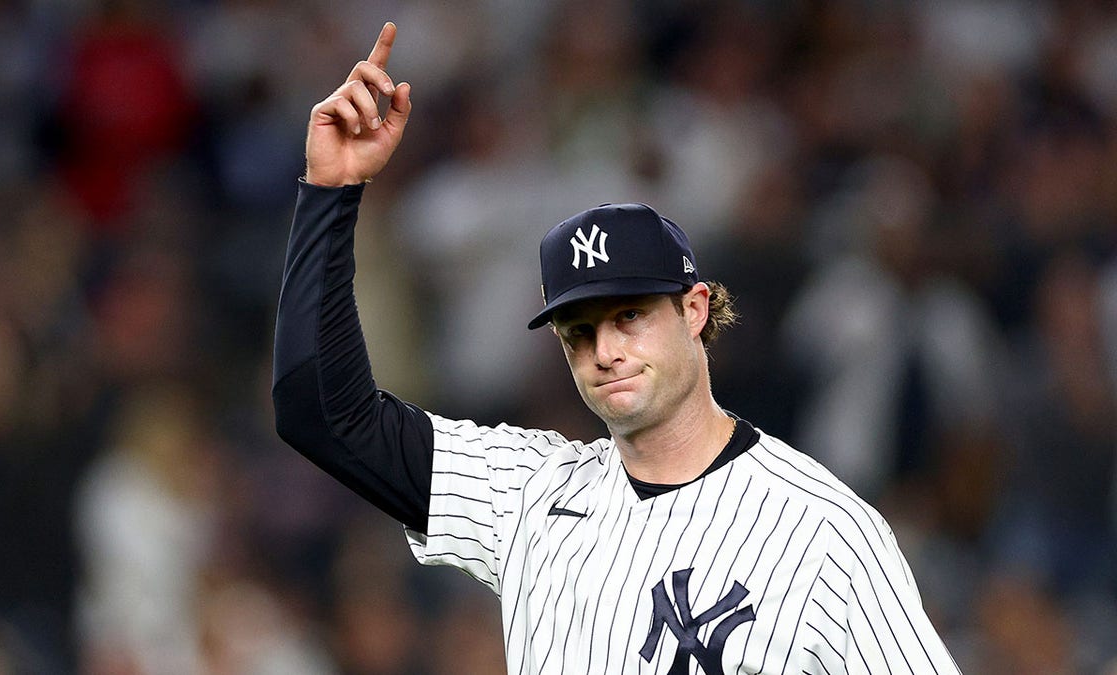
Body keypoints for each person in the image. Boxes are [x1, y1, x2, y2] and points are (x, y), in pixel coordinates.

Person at [272, 23, 961, 674]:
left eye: (629, 314)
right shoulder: (529, 491)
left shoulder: (820, 529)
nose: (605, 349)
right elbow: (322, 413)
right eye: (579, 330)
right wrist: (331, 192)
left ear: (694, 310)